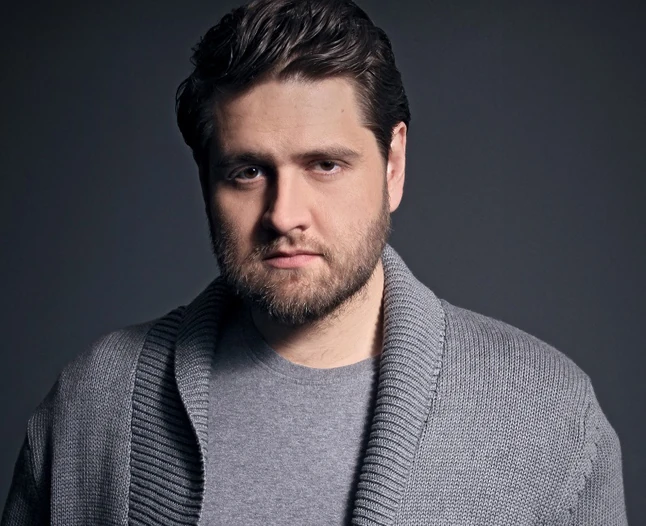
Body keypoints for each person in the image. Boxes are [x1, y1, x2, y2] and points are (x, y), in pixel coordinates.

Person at [2, 0, 627, 524]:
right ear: (205, 178)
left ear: (393, 165)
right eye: (248, 172)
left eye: (325, 165)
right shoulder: (95, 402)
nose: (284, 215)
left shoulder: (546, 412)